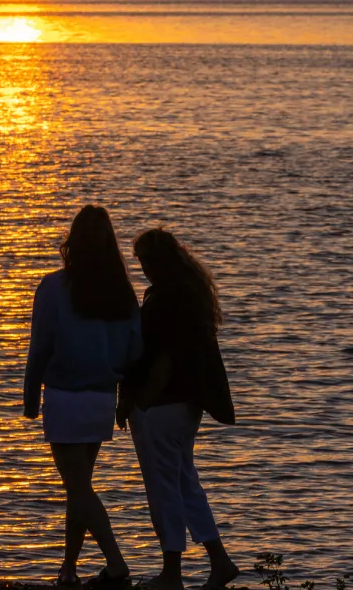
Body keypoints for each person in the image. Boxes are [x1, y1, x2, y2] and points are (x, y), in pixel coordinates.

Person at [25, 205, 144, 589]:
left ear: (73, 243)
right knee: (78, 487)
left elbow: (39, 348)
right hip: (100, 400)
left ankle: (116, 563)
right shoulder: (122, 295)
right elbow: (133, 352)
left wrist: (29, 395)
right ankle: (69, 569)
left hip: (64, 397)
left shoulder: (54, 287)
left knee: (77, 488)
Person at [118, 229, 238, 590]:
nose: (143, 270)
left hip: (161, 407)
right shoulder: (189, 295)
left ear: (156, 261)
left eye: (144, 262)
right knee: (185, 485)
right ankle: (219, 560)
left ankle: (172, 574)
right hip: (186, 407)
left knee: (164, 490)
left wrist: (139, 401)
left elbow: (163, 359)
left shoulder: (165, 300)